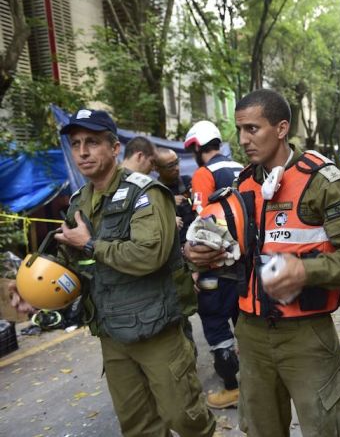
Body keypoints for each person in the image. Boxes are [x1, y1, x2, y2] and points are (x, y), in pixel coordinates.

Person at [184, 88, 340, 436]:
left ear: (282, 127)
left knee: (327, 427)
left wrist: (305, 271)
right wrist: (199, 256)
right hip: (251, 334)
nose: (243, 139)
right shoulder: (243, 184)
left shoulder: (321, 181)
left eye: (252, 129)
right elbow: (234, 254)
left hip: (306, 334)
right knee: (260, 428)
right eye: (240, 130)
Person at [11, 109, 215, 436]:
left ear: (115, 148)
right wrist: (33, 292)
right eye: (76, 143)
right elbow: (71, 266)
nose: (82, 152)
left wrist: (91, 244)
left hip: (156, 329)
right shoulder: (79, 202)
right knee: (138, 425)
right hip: (111, 334)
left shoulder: (145, 193)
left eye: (92, 142)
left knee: (186, 419)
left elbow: (150, 255)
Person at [184, 120, 244, 409]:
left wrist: (195, 266)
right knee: (244, 323)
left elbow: (202, 225)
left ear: (197, 147)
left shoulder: (204, 174)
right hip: (244, 265)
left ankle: (232, 390)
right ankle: (258, 383)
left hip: (215, 268)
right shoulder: (241, 169)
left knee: (216, 326)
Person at [155, 147, 196, 244]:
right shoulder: (154, 191)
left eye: (177, 162)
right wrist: (168, 201)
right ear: (157, 168)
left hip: (193, 240)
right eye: (170, 166)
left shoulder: (187, 182)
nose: (177, 168)